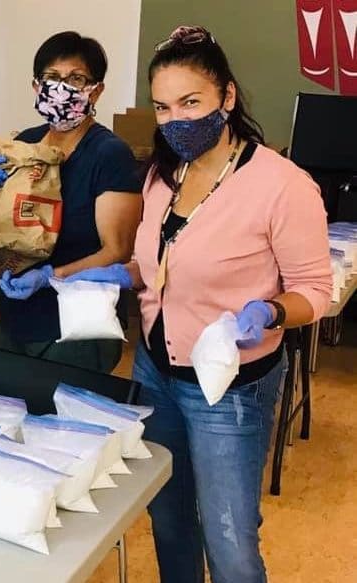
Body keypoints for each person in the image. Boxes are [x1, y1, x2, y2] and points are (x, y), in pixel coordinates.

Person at [69, 26, 332, 583]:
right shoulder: (163, 176)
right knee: (168, 518)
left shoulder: (283, 186)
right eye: (163, 107)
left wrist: (271, 312)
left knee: (230, 540)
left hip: (230, 386)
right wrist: (122, 275)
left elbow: (315, 289)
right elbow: (157, 265)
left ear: (228, 98)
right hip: (156, 370)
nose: (177, 120)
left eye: (192, 103)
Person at [0, 31, 142, 374]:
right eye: (52, 78)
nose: (62, 88)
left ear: (96, 89)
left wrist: (52, 276)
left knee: (62, 423)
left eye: (76, 79)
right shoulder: (24, 145)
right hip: (17, 313)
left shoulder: (108, 154)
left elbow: (116, 249)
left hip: (77, 323)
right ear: (36, 86)